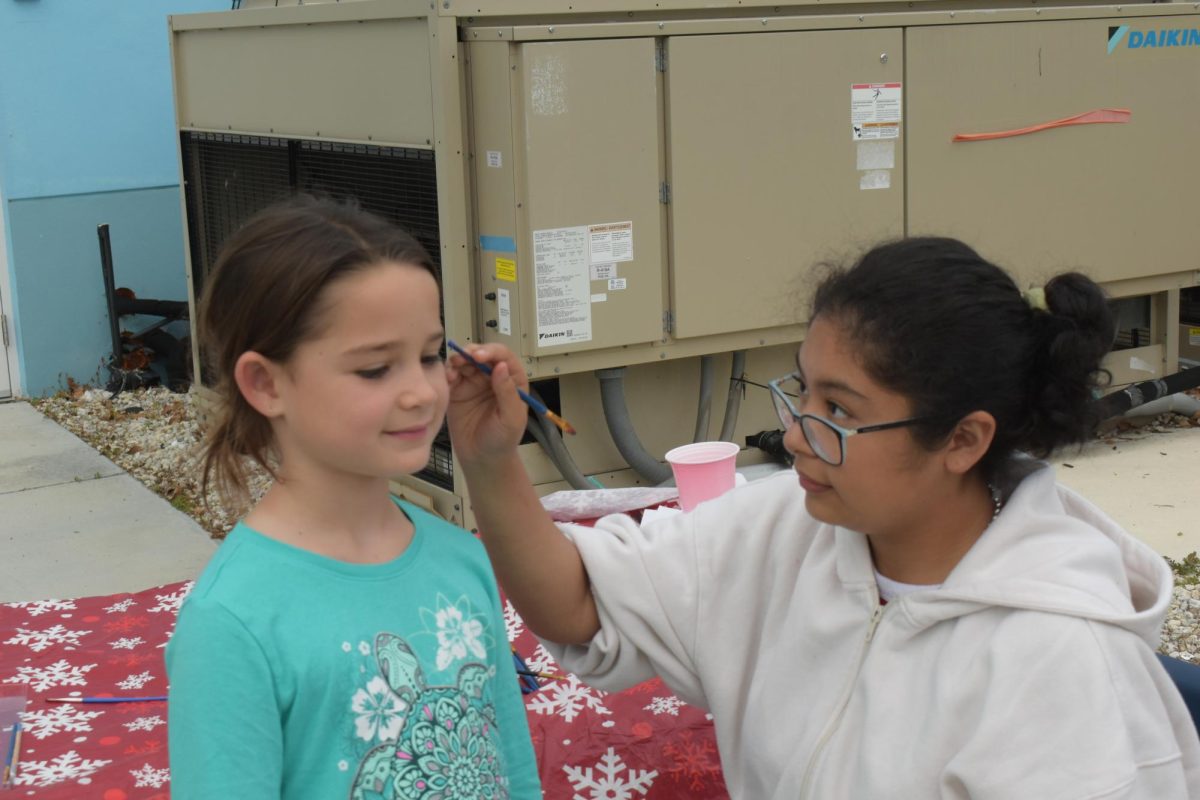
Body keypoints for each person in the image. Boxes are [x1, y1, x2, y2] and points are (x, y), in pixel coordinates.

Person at [447, 236, 1200, 798]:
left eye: (839, 410)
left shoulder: (1058, 663)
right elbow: (581, 606)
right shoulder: (783, 529)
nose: (798, 433)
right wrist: (490, 461)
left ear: (964, 440)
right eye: (802, 392)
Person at [166, 196, 541, 799]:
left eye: (428, 356)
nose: (421, 392)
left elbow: (513, 772)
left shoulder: (462, 561)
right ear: (265, 383)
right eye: (375, 369)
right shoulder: (232, 622)